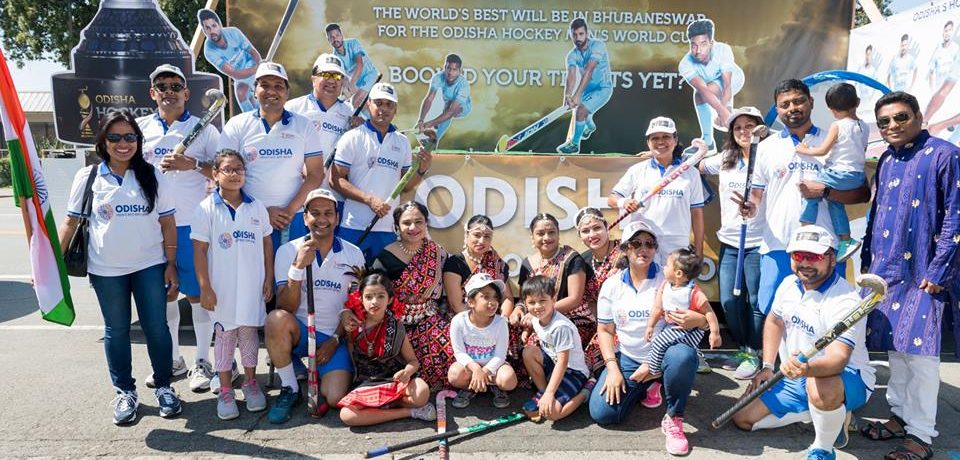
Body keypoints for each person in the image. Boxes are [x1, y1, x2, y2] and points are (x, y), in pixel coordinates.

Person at [58, 109, 182, 424]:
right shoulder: (88, 177)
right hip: (106, 270)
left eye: (130, 137)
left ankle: (164, 386)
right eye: (115, 137)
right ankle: (125, 392)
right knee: (116, 330)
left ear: (138, 141)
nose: (123, 144)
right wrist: (51, 266)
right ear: (103, 141)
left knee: (157, 328)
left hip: (149, 265)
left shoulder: (153, 175)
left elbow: (168, 223)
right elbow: (70, 222)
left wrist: (170, 264)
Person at [858, 91, 960, 460]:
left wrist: (939, 268)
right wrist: (869, 261)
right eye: (884, 121)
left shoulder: (945, 155)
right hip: (887, 269)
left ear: (918, 116)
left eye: (901, 117)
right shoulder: (887, 158)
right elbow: (877, 213)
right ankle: (900, 416)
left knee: (921, 354)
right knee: (895, 347)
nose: (892, 126)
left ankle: (921, 434)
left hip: (924, 273)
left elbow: (956, 215)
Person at [731, 226, 876, 460]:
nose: (805, 263)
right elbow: (774, 321)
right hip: (797, 372)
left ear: (832, 258)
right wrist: (767, 366)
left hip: (846, 376)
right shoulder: (789, 284)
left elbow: (838, 360)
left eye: (814, 256)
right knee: (742, 418)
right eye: (799, 255)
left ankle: (823, 448)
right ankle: (828, 417)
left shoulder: (845, 300)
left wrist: (805, 369)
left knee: (820, 387)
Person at [136, 64, 221, 392]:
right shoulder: (140, 128)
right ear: (152, 93)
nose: (169, 91)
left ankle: (202, 360)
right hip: (152, 226)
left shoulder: (205, 130)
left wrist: (193, 164)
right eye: (162, 86)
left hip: (191, 226)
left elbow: (224, 171)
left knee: (198, 296)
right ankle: (173, 359)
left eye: (175, 86)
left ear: (186, 93)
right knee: (165, 294)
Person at [737, 79, 853, 319]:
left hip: (825, 245)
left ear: (811, 102)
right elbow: (757, 195)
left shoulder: (835, 141)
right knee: (774, 313)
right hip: (779, 244)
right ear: (777, 109)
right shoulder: (766, 147)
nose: (792, 108)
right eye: (785, 104)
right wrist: (750, 207)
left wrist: (824, 191)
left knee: (827, 315)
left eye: (799, 101)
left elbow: (859, 192)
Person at [587, 221, 705, 455]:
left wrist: (700, 320)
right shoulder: (611, 285)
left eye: (649, 244)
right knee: (603, 413)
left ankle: (674, 417)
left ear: (655, 249)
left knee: (682, 356)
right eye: (636, 243)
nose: (643, 249)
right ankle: (650, 384)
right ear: (624, 249)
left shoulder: (671, 277)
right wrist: (612, 369)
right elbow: (605, 331)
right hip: (629, 359)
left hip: (664, 356)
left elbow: (703, 317)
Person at [264, 188, 365, 424]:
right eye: (315, 213)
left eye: (328, 213)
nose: (322, 219)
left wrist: (335, 340)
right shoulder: (287, 251)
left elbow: (355, 307)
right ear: (305, 217)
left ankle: (315, 372)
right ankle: (290, 387)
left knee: (334, 397)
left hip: (334, 336)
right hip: (300, 332)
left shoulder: (354, 254)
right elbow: (285, 307)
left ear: (337, 218)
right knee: (275, 319)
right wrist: (297, 267)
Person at [190, 150, 273, 420]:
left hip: (251, 286)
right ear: (215, 174)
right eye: (228, 169)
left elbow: (267, 243)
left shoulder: (256, 207)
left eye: (239, 169)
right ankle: (226, 389)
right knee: (225, 337)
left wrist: (269, 277)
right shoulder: (206, 208)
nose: (234, 174)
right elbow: (199, 251)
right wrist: (205, 287)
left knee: (248, 334)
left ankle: (250, 383)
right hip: (221, 288)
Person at [218, 62, 325, 253]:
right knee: (252, 272)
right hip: (248, 217)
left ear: (287, 92)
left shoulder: (304, 125)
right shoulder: (237, 124)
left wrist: (289, 211)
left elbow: (316, 174)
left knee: (291, 271)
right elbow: (225, 175)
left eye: (278, 86)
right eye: (264, 85)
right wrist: (261, 212)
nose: (271, 91)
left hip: (292, 218)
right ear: (254, 90)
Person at [699, 106, 767, 379]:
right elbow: (698, 166)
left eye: (749, 126)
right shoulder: (727, 157)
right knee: (729, 300)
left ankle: (755, 352)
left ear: (760, 129)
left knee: (756, 301)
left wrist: (753, 206)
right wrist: (693, 152)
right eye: (738, 127)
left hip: (760, 242)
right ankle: (743, 348)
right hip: (730, 242)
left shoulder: (769, 156)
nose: (743, 132)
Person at [331, 82, 433, 260]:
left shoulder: (402, 142)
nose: (383, 109)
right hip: (354, 225)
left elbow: (406, 186)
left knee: (383, 278)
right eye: (378, 103)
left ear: (395, 109)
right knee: (347, 276)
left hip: (387, 228)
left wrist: (422, 170)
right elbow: (336, 180)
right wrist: (369, 200)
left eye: (389, 104)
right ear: (368, 104)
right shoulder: (352, 137)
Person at [368, 201, 453, 391]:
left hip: (430, 319)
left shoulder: (437, 253)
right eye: (406, 223)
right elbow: (373, 292)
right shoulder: (386, 256)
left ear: (426, 223)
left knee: (450, 349)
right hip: (395, 323)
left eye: (418, 222)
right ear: (397, 226)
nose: (413, 227)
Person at [337, 272, 437, 426]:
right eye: (368, 297)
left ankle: (381, 407)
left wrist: (407, 372)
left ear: (389, 299)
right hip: (368, 383)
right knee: (347, 415)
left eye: (380, 296)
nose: (374, 302)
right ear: (360, 298)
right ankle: (409, 412)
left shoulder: (396, 326)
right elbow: (351, 350)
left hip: (393, 380)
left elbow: (413, 361)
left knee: (421, 392)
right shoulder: (353, 324)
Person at [608, 116, 706, 259]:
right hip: (643, 245)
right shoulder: (637, 170)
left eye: (666, 136)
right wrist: (624, 202)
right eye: (655, 138)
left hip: (676, 247)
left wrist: (699, 251)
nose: (660, 142)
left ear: (675, 140)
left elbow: (697, 213)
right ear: (648, 143)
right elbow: (612, 199)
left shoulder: (691, 173)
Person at [795, 83, 869, 261]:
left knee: (811, 191)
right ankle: (846, 240)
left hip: (838, 173)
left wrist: (804, 149)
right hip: (857, 176)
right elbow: (862, 150)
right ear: (858, 102)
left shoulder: (837, 125)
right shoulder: (865, 126)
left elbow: (822, 150)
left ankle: (805, 230)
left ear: (831, 109)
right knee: (835, 201)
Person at [517, 213, 599, 375]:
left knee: (538, 344)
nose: (546, 238)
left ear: (558, 234)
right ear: (532, 237)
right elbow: (524, 298)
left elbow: (574, 299)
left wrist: (537, 315)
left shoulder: (571, 259)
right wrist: (518, 308)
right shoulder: (527, 263)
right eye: (540, 233)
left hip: (572, 320)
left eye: (551, 232)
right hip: (539, 318)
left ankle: (569, 380)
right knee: (515, 337)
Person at [285, 53, 362, 211]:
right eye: (325, 74)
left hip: (335, 199)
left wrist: (360, 130)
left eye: (337, 76)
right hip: (296, 196)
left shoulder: (351, 113)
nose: (332, 81)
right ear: (313, 79)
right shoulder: (291, 108)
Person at [632, 246, 721, 382]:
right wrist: (650, 326)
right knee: (657, 342)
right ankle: (656, 365)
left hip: (690, 330)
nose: (664, 268)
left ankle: (654, 371)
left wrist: (715, 333)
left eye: (667, 265)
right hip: (672, 327)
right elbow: (658, 308)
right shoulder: (666, 286)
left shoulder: (693, 292)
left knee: (659, 342)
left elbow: (709, 312)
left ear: (678, 273)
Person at [520, 275, 595, 421]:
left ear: (553, 300)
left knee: (552, 414)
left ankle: (586, 390)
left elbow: (563, 362)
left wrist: (551, 393)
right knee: (528, 352)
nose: (537, 306)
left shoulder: (560, 327)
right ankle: (543, 392)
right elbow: (537, 328)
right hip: (554, 363)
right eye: (532, 302)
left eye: (542, 301)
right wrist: (525, 332)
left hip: (573, 371)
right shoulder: (536, 318)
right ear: (526, 304)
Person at [448, 273, 517, 409]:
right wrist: (476, 369)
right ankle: (470, 388)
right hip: (470, 368)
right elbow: (459, 352)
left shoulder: (500, 323)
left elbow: (500, 355)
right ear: (471, 302)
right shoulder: (458, 321)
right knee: (454, 375)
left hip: (493, 369)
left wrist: (484, 371)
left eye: (495, 297)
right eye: (485, 297)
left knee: (509, 380)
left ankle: (493, 385)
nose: (492, 302)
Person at [677, 18, 745, 151]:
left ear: (711, 43)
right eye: (693, 45)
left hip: (734, 79)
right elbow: (703, 90)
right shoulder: (685, 64)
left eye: (703, 44)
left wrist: (725, 111)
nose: (698, 50)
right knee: (699, 94)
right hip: (710, 85)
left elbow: (727, 84)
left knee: (724, 112)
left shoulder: (723, 50)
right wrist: (722, 112)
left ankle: (737, 141)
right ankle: (708, 142)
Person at [557, 18, 613, 154]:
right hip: (588, 90)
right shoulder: (572, 55)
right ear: (571, 35)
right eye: (574, 35)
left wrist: (577, 95)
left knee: (580, 111)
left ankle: (574, 145)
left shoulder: (598, 46)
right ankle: (591, 127)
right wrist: (568, 95)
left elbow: (589, 70)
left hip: (603, 89)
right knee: (579, 112)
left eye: (581, 34)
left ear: (587, 33)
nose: (578, 38)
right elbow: (571, 75)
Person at [442, 214, 514, 316]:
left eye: (487, 236)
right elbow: (456, 304)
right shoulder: (455, 263)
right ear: (467, 235)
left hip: (493, 318)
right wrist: (479, 322)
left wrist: (503, 319)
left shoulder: (498, 264)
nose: (482, 241)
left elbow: (507, 298)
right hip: (462, 318)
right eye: (477, 235)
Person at [198, 8, 261, 112]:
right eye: (207, 28)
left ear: (219, 25)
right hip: (242, 75)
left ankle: (264, 108)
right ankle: (252, 117)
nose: (212, 31)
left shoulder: (233, 32)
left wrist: (260, 65)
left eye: (214, 26)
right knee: (240, 93)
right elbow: (234, 74)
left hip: (252, 65)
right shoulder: (209, 51)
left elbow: (252, 52)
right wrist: (256, 69)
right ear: (204, 30)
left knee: (261, 90)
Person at [416, 53, 472, 144]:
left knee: (449, 109)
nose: (450, 73)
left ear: (459, 71)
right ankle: (438, 125)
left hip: (463, 107)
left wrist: (430, 123)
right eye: (448, 68)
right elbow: (429, 99)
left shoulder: (464, 85)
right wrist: (421, 120)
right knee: (446, 108)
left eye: (454, 70)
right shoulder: (438, 77)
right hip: (448, 105)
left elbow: (451, 111)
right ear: (444, 67)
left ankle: (434, 141)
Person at [326, 23, 379, 110]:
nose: (335, 39)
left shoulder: (353, 43)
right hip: (357, 84)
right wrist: (346, 89)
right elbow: (344, 78)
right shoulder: (335, 58)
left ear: (342, 35)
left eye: (337, 35)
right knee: (354, 106)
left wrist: (352, 83)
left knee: (355, 102)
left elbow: (360, 64)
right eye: (332, 37)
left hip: (370, 75)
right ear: (329, 40)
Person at [927, 21, 958, 90]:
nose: (947, 33)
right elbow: (931, 72)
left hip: (952, 91)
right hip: (939, 90)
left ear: (952, 32)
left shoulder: (956, 49)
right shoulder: (937, 51)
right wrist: (932, 90)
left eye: (949, 30)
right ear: (943, 33)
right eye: (946, 31)